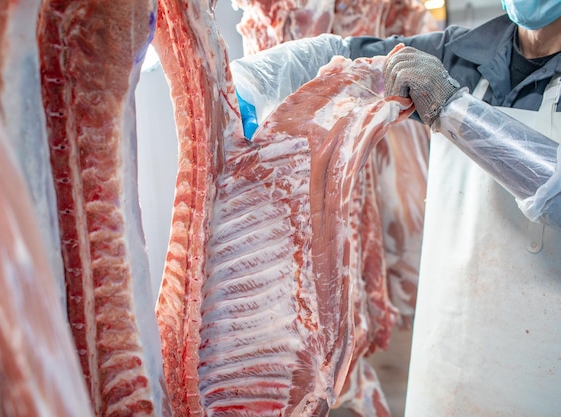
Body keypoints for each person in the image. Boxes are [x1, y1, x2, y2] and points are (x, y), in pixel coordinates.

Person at [231, 1, 561, 416]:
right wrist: (244, 80)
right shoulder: (464, 53)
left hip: (544, 376)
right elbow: (338, 58)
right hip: (446, 353)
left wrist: (454, 109)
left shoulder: (449, 71)